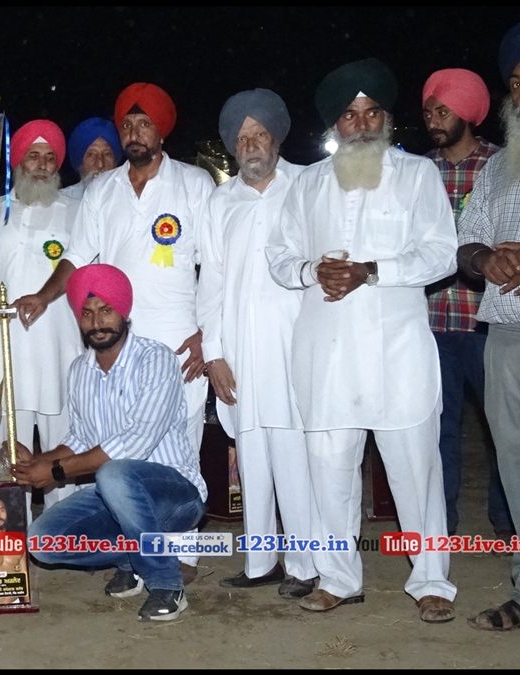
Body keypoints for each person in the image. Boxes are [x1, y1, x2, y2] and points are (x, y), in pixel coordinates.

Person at [266, 58, 458, 623]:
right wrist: (311, 271)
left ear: (386, 118)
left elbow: (442, 253)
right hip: (326, 352)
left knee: (415, 470)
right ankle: (338, 578)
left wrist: (373, 271)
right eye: (349, 115)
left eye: (372, 112)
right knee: (329, 469)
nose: (362, 123)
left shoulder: (417, 175)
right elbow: (279, 256)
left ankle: (431, 582)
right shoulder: (306, 184)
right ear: (335, 125)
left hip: (397, 351)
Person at [13, 84, 214, 592]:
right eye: (127, 125)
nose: (134, 133)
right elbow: (78, 256)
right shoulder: (103, 190)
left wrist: (208, 333)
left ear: (161, 131)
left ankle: (179, 555)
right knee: (116, 452)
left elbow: (216, 264)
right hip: (117, 337)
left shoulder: (194, 183)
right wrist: (43, 296)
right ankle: (133, 554)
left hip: (179, 341)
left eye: (144, 124)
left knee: (178, 446)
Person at [15, 264, 206, 622]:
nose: (97, 322)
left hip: (176, 496)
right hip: (116, 497)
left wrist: (55, 471)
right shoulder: (80, 370)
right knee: (42, 541)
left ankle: (167, 584)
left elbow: (134, 444)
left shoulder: (156, 358)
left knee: (115, 473)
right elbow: (79, 439)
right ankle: (133, 560)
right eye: (86, 313)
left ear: (123, 312)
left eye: (106, 310)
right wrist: (39, 461)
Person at [198, 89, 316, 598]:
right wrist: (214, 355)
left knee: (295, 455)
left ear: (277, 138)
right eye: (242, 138)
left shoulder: (307, 185)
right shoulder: (220, 201)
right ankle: (260, 562)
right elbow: (210, 284)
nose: (251, 145)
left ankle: (306, 565)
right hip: (240, 351)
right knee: (251, 456)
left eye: (259, 134)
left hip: (296, 345)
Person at [419, 70, 513, 538]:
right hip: (430, 322)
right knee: (438, 431)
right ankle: (441, 524)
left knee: (504, 430)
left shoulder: (504, 165)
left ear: (469, 112)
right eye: (429, 113)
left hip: (486, 323)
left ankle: (508, 521)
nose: (434, 121)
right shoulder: (419, 171)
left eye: (444, 111)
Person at [461, 20, 520, 632]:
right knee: (518, 472)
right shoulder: (499, 165)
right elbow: (465, 241)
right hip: (505, 336)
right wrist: (485, 259)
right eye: (516, 82)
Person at [0, 119, 82, 506]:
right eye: (33, 156)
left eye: (49, 158)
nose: (41, 165)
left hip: (61, 348)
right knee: (9, 450)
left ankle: (68, 532)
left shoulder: (76, 211)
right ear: (17, 162)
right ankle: (12, 531)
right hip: (6, 350)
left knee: (65, 452)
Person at [61, 117, 121, 200]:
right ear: (80, 163)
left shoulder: (130, 198)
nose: (100, 164)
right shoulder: (63, 201)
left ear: (115, 163)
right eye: (91, 154)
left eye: (107, 154)